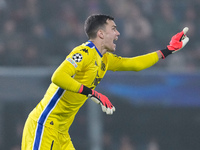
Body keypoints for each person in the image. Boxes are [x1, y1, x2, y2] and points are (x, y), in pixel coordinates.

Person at [21, 14, 189, 150]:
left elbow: (134, 64)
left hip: (61, 131)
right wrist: (92, 93)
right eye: (114, 29)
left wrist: (168, 50)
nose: (118, 33)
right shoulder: (84, 52)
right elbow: (58, 77)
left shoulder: (105, 59)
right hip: (44, 124)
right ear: (101, 33)